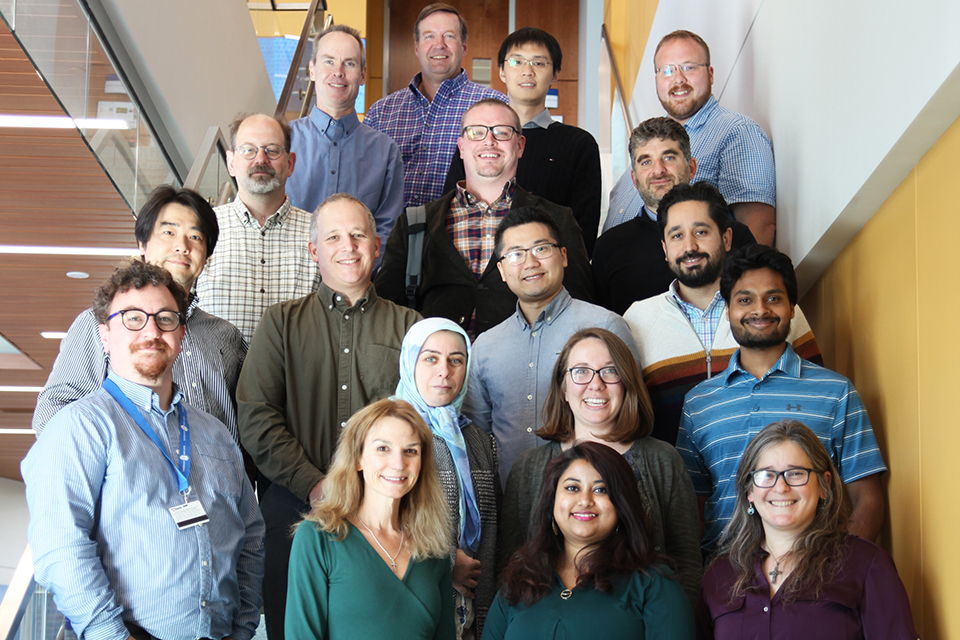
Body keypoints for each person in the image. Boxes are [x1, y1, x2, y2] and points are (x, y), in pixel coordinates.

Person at [23, 259, 264, 640]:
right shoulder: (78, 428)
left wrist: (243, 628)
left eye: (165, 318)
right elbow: (60, 547)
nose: (151, 331)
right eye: (133, 318)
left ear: (181, 334)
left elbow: (249, 537)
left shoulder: (216, 434)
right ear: (104, 335)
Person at [237, 193, 421, 640]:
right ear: (313, 249)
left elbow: (419, 423)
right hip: (291, 509)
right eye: (334, 236)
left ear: (377, 245)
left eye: (358, 235)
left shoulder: (410, 327)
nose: (348, 246)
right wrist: (316, 484)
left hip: (384, 512)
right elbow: (256, 416)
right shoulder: (280, 323)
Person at [677, 244, 886, 554]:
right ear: (728, 310)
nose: (760, 310)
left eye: (773, 298)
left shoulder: (836, 392)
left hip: (815, 579)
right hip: (723, 581)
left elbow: (868, 499)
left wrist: (840, 570)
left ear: (791, 308)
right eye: (745, 300)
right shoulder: (699, 403)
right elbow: (690, 507)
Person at [502, 328, 702, 607]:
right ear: (563, 388)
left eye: (610, 371)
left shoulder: (662, 460)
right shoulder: (528, 468)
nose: (596, 384)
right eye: (581, 371)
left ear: (627, 383)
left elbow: (687, 564)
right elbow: (509, 567)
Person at [33, 185, 247, 443]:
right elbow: (55, 410)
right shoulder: (101, 322)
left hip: (214, 481)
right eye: (169, 232)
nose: (181, 246)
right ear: (142, 243)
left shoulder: (225, 335)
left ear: (207, 255)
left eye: (195, 237)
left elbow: (245, 428)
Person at [375, 98, 594, 340]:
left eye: (502, 132)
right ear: (461, 146)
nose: (489, 141)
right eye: (476, 132)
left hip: (525, 371)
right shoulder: (414, 224)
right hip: (438, 372)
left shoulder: (558, 220)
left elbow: (581, 310)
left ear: (520, 146)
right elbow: (385, 313)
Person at [622, 183, 820, 445]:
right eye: (676, 236)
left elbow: (818, 395)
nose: (689, 246)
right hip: (675, 481)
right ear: (664, 248)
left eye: (701, 232)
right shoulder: (637, 320)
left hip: (773, 480)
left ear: (726, 238)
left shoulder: (769, 310)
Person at [698, 420, 918, 639]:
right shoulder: (719, 574)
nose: (781, 487)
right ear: (750, 492)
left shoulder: (867, 565)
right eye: (766, 475)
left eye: (795, 473)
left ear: (824, 485)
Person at [463, 207, 638, 482]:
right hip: (511, 504)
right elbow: (478, 440)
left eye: (541, 249)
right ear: (501, 270)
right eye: (516, 254)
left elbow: (631, 418)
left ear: (564, 256)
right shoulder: (484, 347)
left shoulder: (606, 327)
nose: (530, 263)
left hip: (592, 501)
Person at [485, 442, 695, 639]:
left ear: (623, 504)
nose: (585, 500)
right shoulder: (518, 582)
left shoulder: (654, 584)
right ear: (552, 501)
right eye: (572, 488)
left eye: (601, 489)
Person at [285, 398, 455, 640]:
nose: (398, 464)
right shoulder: (317, 538)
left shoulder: (433, 548)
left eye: (410, 451)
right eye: (383, 448)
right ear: (357, 459)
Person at [603, 30, 776, 245]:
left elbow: (757, 229)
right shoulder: (645, 144)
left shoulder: (737, 132)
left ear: (710, 73)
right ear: (656, 78)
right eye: (666, 70)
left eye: (689, 67)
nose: (678, 79)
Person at [443, 28, 601, 255]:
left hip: (541, 273)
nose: (527, 71)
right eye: (517, 62)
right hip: (472, 265)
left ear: (555, 74)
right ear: (502, 71)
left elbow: (582, 232)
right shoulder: (477, 139)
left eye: (539, 63)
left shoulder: (579, 144)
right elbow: (449, 209)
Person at [394, 318, 500, 638]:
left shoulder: (480, 441)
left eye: (456, 360)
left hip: (474, 610)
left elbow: (496, 529)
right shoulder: (386, 433)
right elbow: (376, 523)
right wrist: (447, 564)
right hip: (412, 603)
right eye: (430, 358)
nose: (444, 371)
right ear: (409, 362)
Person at [593, 118, 756, 314]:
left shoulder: (734, 236)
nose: (658, 170)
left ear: (692, 168)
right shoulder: (609, 248)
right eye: (646, 162)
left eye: (669, 157)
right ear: (635, 179)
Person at [363, 3, 505, 207]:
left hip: (461, 235)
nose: (439, 45)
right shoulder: (381, 113)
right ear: (416, 47)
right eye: (429, 36)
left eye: (449, 36)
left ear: (464, 46)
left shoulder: (496, 108)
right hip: (391, 235)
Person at [286, 24, 405, 269]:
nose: (338, 72)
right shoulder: (283, 141)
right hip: (289, 286)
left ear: (362, 75)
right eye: (328, 61)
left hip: (358, 288)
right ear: (312, 70)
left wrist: (352, 275)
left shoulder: (385, 152)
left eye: (349, 63)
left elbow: (386, 229)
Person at [197, 113, 319, 341]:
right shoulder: (202, 230)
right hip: (216, 377)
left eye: (272, 150)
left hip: (294, 377)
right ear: (231, 162)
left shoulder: (319, 233)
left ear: (290, 163)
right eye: (248, 150)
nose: (260, 159)